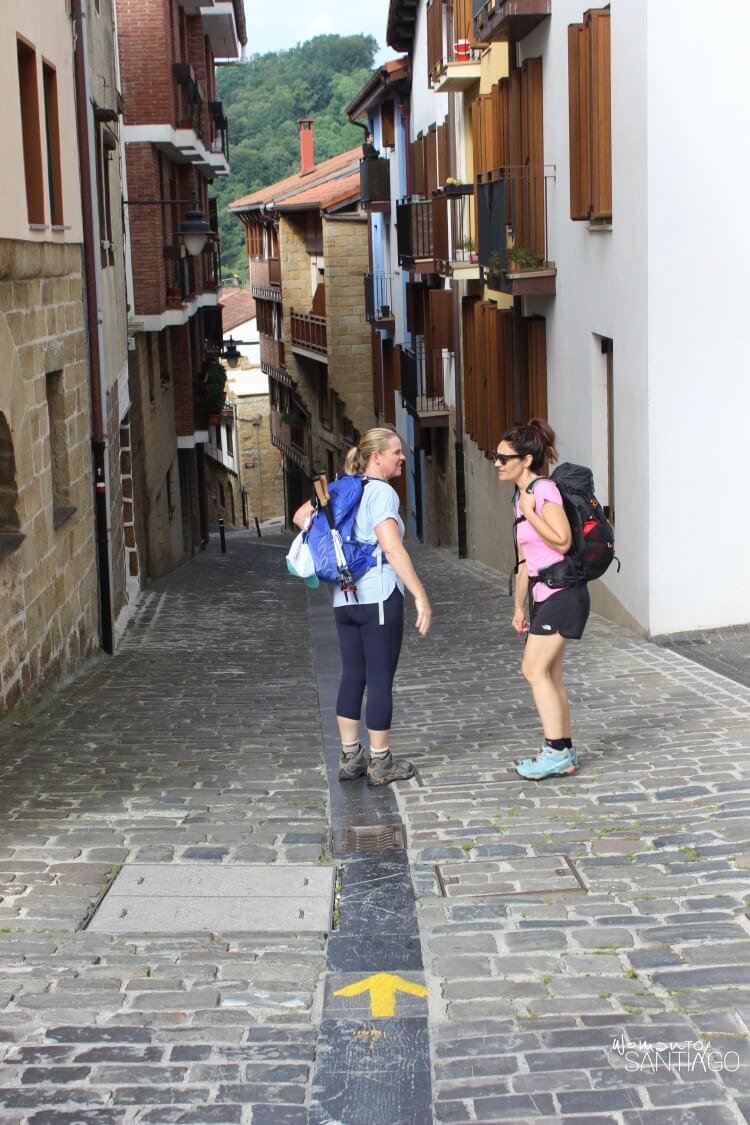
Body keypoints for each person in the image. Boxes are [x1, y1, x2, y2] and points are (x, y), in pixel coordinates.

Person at [293, 428, 431, 786]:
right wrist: (419, 593)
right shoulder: (382, 492)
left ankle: (350, 757)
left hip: (344, 597)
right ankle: (380, 763)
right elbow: (391, 546)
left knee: (353, 674)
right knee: (380, 678)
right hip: (379, 596)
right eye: (396, 452)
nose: (402, 458)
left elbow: (299, 517)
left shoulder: (341, 488)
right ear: (376, 457)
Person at [495, 419, 589, 780]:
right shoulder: (521, 497)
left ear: (527, 458)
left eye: (505, 458)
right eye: (496, 457)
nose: (498, 463)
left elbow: (562, 541)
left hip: (564, 593)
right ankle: (563, 749)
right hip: (543, 595)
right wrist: (519, 607)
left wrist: (533, 513)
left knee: (533, 669)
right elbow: (524, 563)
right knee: (550, 673)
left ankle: (556, 752)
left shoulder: (543, 491)